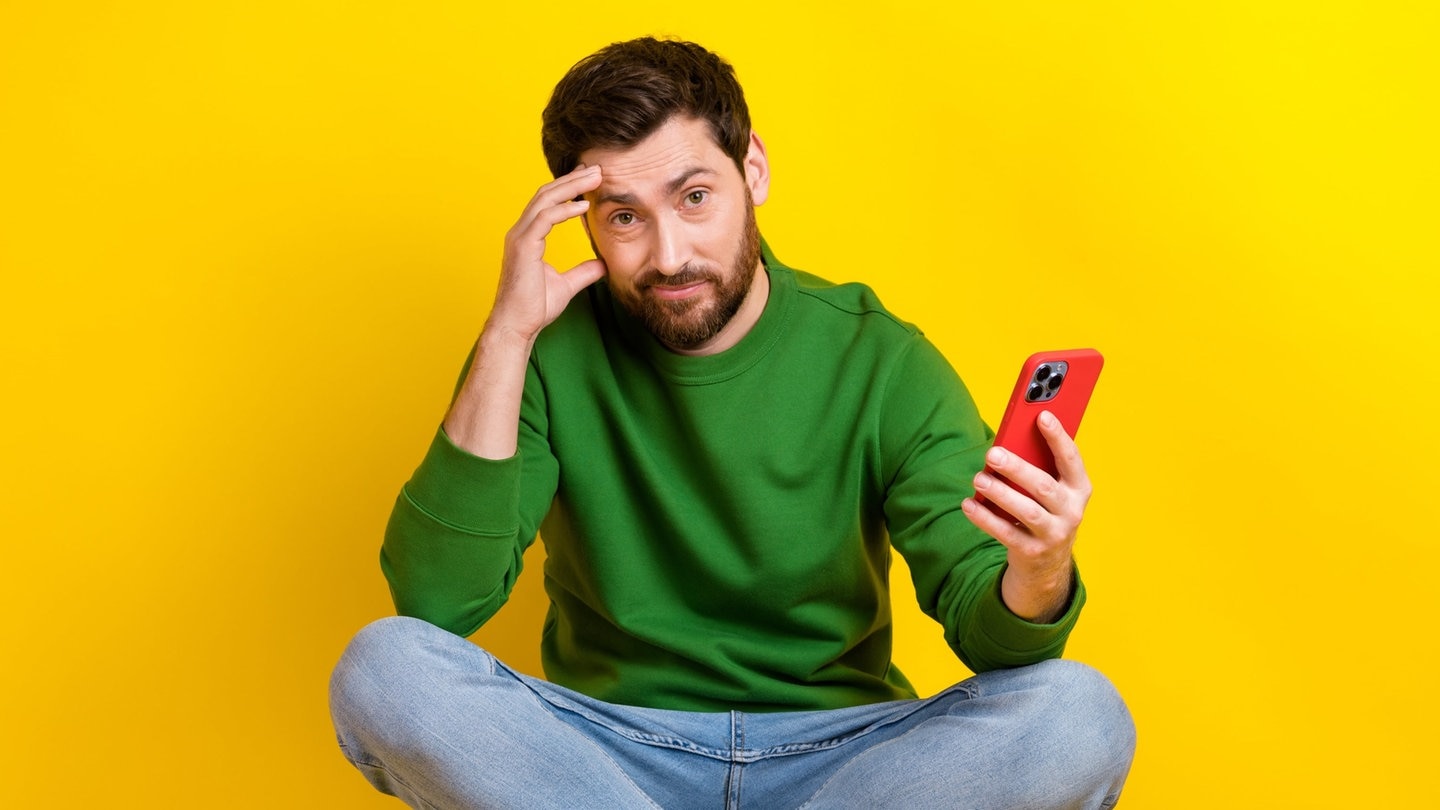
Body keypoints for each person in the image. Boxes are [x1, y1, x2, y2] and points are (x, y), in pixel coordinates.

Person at [330, 36, 1135, 809]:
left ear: (752, 167)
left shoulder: (879, 358)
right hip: (613, 759)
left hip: (841, 760)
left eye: (694, 197)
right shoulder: (543, 352)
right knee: (384, 667)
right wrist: (507, 336)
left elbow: (997, 644)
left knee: (1079, 713)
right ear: (580, 218)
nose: (669, 253)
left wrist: (1037, 570)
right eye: (623, 217)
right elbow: (436, 605)